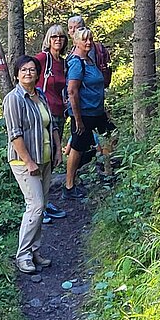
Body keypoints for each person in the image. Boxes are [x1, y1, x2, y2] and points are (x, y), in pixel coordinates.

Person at [3, 55, 62, 274]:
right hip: (25, 161)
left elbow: (52, 125)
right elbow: (15, 134)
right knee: (35, 206)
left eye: (32, 70)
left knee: (42, 206)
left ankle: (35, 251)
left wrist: (57, 149)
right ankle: (23, 255)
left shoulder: (40, 96)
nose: (28, 73)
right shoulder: (14, 99)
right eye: (24, 70)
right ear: (17, 74)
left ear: (38, 74)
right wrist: (28, 162)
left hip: (45, 159)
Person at [62, 27, 113, 199]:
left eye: (90, 39)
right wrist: (78, 120)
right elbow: (72, 91)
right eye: (84, 39)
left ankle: (106, 171)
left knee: (112, 135)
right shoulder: (76, 62)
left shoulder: (89, 61)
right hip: (83, 113)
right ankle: (69, 186)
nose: (88, 42)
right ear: (76, 41)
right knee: (77, 147)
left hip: (96, 111)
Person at [35, 24, 69, 223]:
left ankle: (45, 202)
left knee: (53, 157)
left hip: (58, 113)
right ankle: (39, 206)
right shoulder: (42, 59)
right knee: (42, 156)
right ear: (48, 39)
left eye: (62, 37)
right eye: (54, 36)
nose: (58, 40)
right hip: (42, 114)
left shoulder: (62, 63)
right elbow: (25, 74)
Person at [67, 15, 112, 88]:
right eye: (70, 28)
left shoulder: (89, 48)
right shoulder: (73, 53)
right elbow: (72, 89)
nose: (73, 30)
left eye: (77, 27)